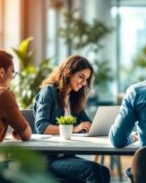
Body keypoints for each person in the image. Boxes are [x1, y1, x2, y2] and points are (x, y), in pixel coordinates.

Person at [33, 55, 110, 183]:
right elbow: (41, 127)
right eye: (81, 76)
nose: (84, 82)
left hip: (66, 157)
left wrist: (102, 127)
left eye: (86, 79)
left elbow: (88, 122)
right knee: (93, 170)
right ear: (69, 72)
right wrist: (74, 129)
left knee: (104, 171)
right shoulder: (49, 92)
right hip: (48, 160)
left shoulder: (74, 98)